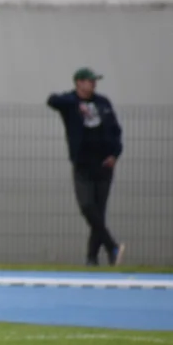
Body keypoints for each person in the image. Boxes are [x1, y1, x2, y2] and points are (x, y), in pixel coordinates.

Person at [47, 68, 125, 266]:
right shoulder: (69, 102)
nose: (93, 84)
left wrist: (115, 154)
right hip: (83, 165)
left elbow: (116, 131)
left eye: (94, 81)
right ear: (79, 83)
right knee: (87, 207)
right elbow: (52, 100)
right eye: (90, 81)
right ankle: (112, 246)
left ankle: (92, 258)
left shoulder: (103, 103)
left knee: (99, 211)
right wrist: (76, 103)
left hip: (104, 166)